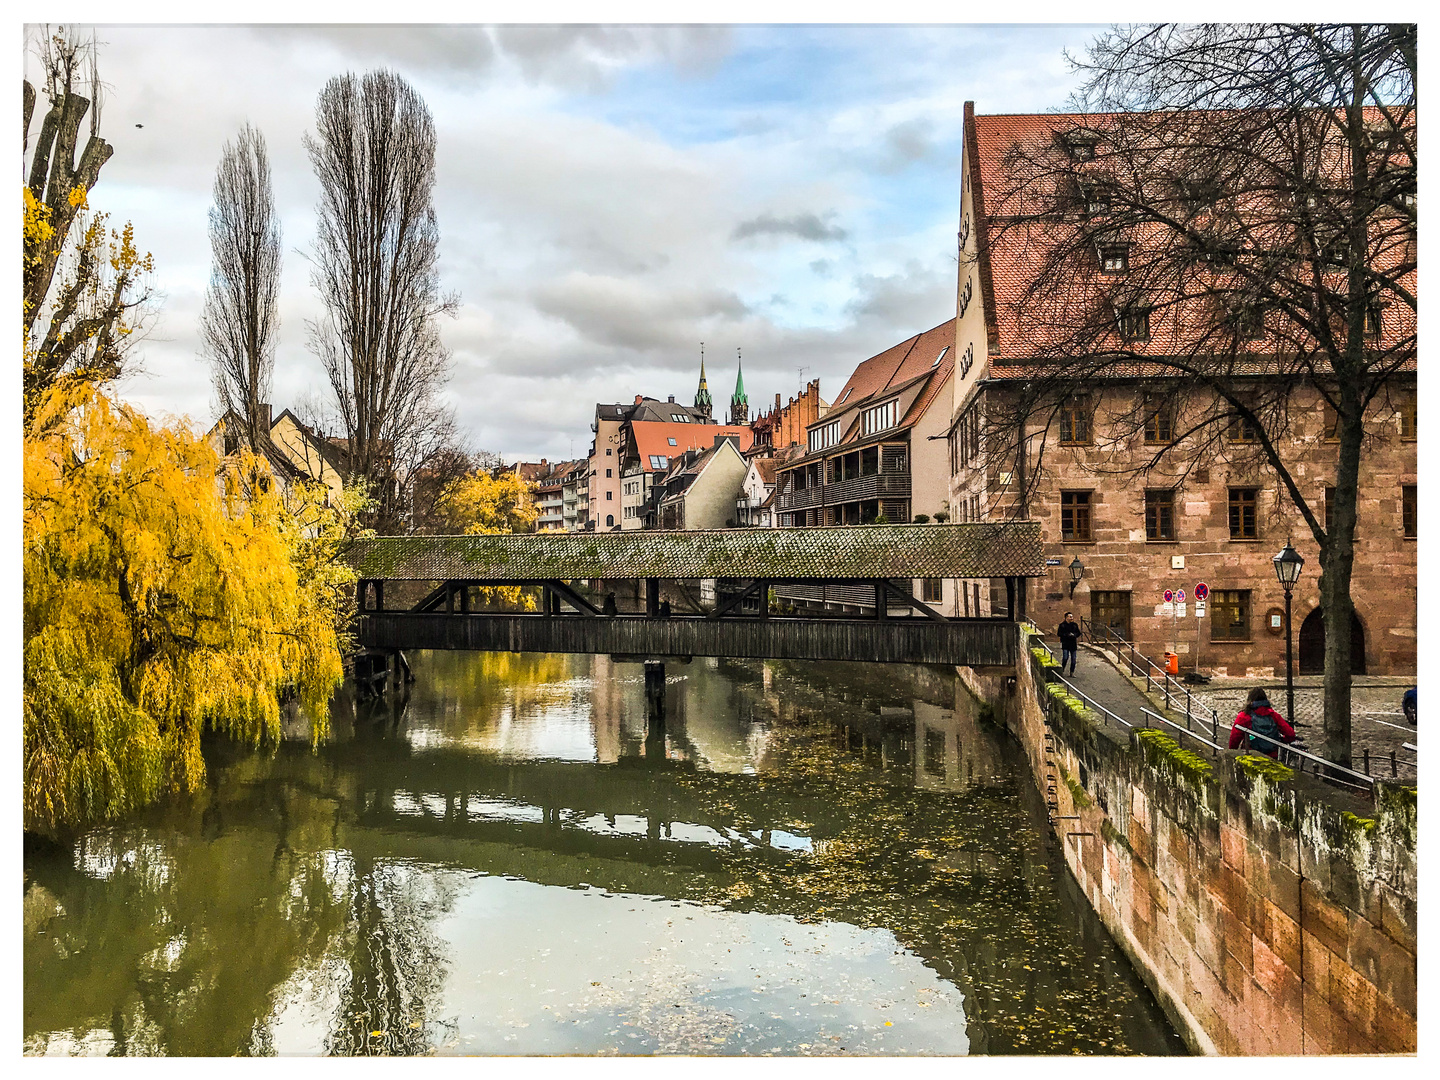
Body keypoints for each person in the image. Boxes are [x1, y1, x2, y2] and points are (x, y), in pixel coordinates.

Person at [1228, 688, 1297, 759]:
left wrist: (1231, 753)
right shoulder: (1273, 715)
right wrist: (1281, 740)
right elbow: (1290, 734)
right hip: (1272, 756)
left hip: (1251, 755)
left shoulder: (1244, 716)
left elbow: (1235, 738)